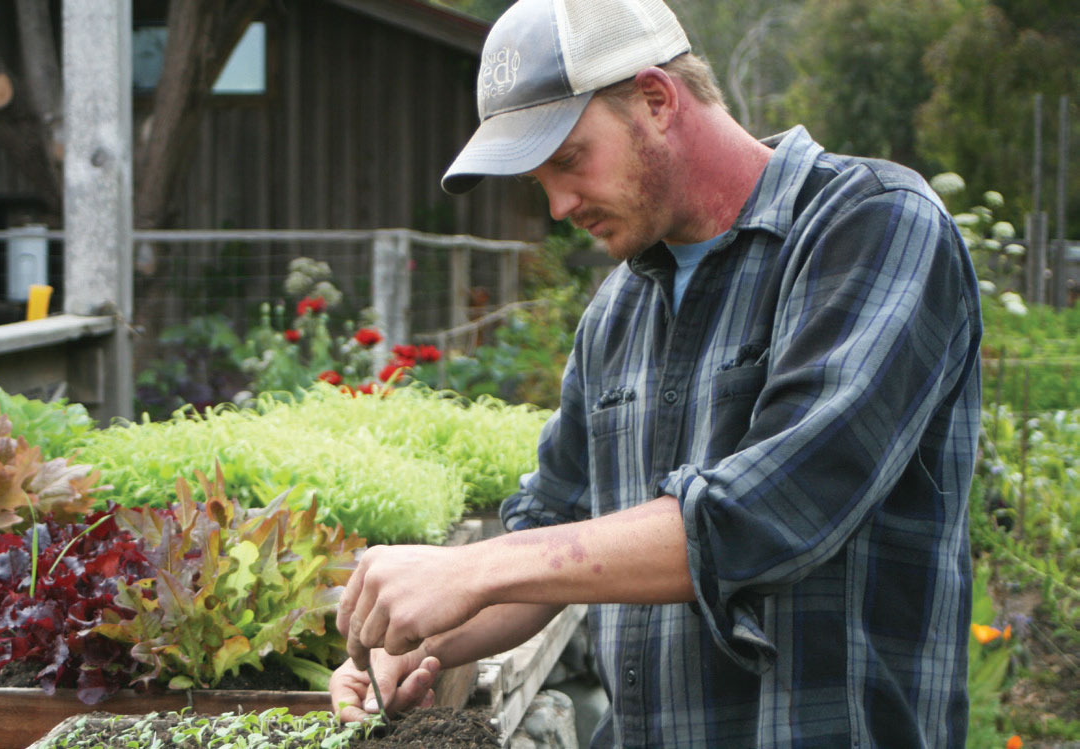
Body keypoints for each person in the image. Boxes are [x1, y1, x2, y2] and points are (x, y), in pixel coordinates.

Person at [331, 0, 982, 745]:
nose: (558, 204)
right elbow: (555, 523)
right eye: (538, 179)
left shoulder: (870, 226)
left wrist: (480, 566)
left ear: (655, 99)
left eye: (569, 159)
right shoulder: (617, 312)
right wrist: (410, 642)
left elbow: (776, 511)